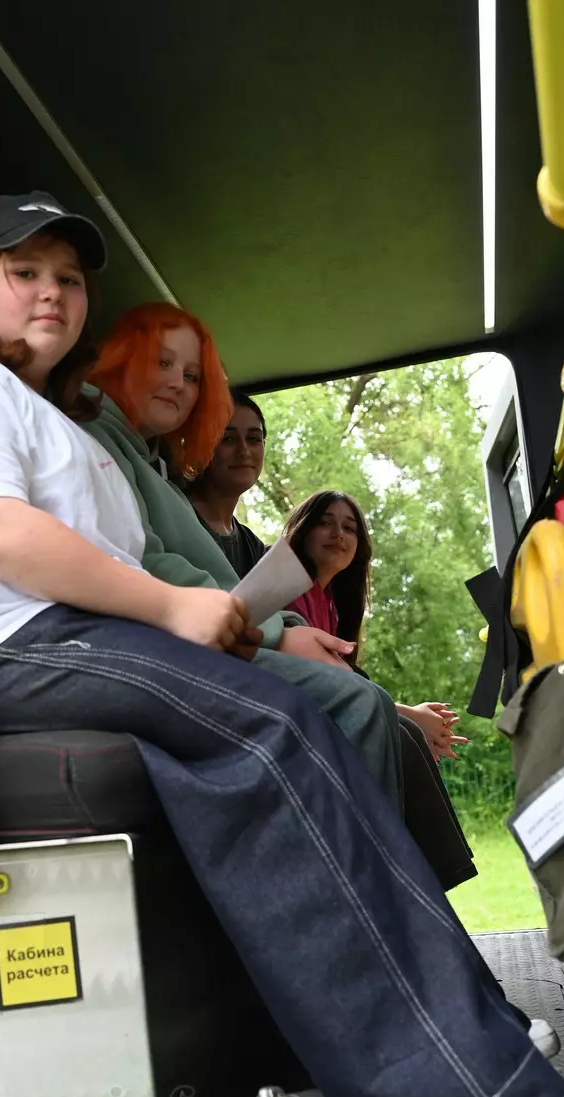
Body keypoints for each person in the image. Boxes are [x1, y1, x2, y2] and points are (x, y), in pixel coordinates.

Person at [0, 191, 564, 1097]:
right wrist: (170, 608)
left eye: (69, 278)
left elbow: (112, 560)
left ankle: (461, 1030)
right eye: (24, 272)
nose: (52, 292)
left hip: (62, 643)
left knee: (300, 720)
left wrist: (209, 620)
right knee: (270, 729)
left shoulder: (56, 425)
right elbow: (3, 538)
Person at [83, 304, 405, 817]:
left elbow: (216, 576)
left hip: (218, 636)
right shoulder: (96, 436)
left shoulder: (151, 464)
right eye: (162, 363)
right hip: (162, 644)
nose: (177, 383)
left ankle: (397, 861)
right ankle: (368, 865)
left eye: (192, 376)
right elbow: (147, 560)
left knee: (373, 702)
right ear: (123, 359)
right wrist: (279, 634)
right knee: (360, 703)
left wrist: (286, 626)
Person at [284, 491, 469, 765]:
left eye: (349, 528)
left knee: (406, 735)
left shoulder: (331, 604)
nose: (339, 534)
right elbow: (323, 680)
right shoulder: (288, 586)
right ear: (303, 530)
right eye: (325, 523)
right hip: (294, 719)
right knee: (404, 734)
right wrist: (409, 714)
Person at [185, 392, 268, 576]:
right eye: (227, 438)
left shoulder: (252, 547)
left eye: (253, 439)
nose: (244, 451)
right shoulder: (177, 518)